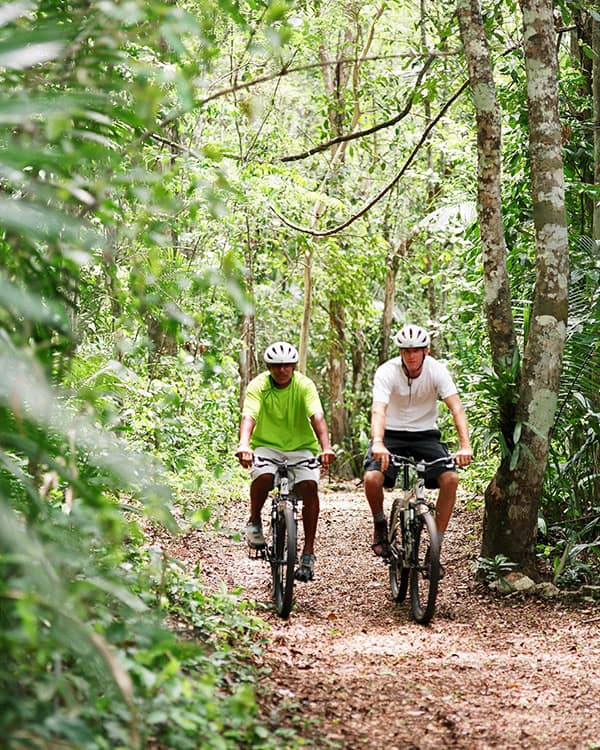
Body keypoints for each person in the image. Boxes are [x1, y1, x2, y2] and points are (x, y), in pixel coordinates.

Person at [363, 324, 472, 568]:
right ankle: (380, 522)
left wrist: (465, 445)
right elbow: (378, 409)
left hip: (425, 436)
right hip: (390, 435)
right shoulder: (386, 372)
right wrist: (378, 443)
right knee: (372, 479)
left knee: (451, 479)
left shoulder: (437, 371)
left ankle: (436, 546)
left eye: (416, 350)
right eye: (406, 351)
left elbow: (456, 407)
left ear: (426, 351)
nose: (411, 355)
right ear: (400, 352)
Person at [235, 341, 335, 582]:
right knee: (264, 476)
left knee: (310, 488)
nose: (282, 371)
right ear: (269, 367)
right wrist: (244, 444)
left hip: (301, 448)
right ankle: (255, 519)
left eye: (287, 366)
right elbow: (249, 415)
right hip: (267, 446)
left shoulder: (304, 385)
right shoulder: (259, 385)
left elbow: (317, 416)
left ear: (293, 366)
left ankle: (308, 552)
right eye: (277, 366)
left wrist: (326, 447)